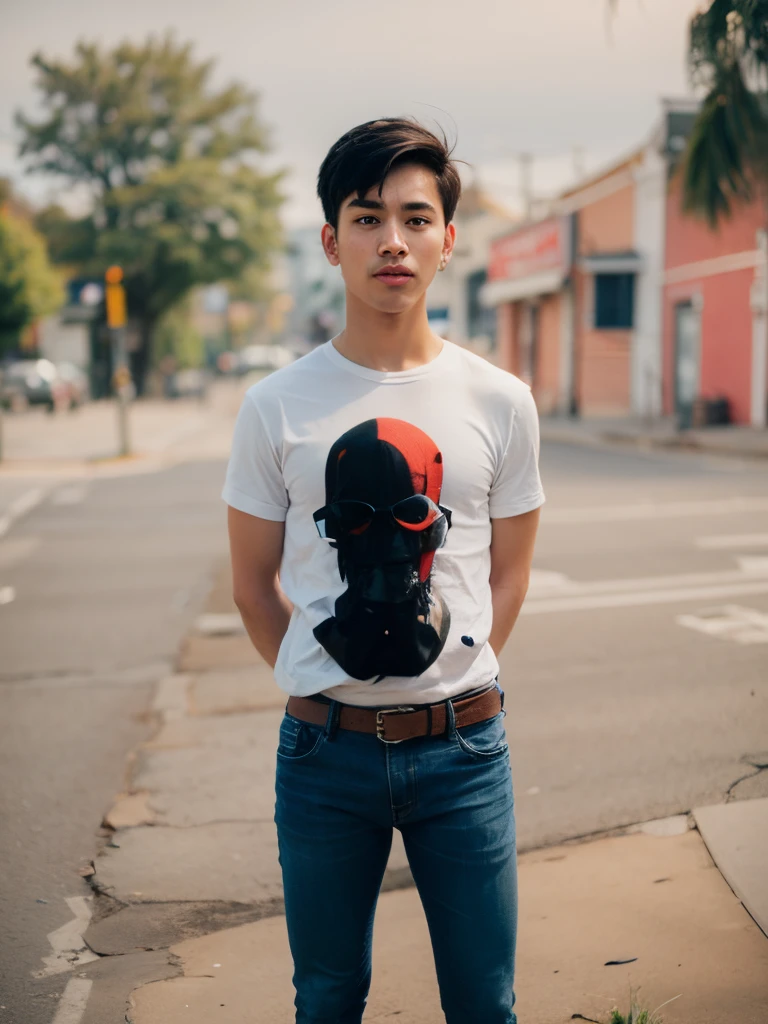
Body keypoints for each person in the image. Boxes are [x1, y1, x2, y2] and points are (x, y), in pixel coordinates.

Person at [223, 117, 545, 1024]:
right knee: (326, 999)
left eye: (414, 217)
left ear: (448, 239)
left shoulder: (500, 401)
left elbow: (509, 574)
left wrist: (454, 673)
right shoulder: (273, 407)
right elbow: (253, 586)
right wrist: (327, 684)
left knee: (485, 1002)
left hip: (465, 753)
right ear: (331, 241)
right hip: (324, 758)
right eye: (366, 218)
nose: (391, 241)